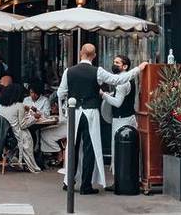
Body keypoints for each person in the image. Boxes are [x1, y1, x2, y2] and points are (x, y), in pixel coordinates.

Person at [57, 43, 147, 195]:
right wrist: (138, 69)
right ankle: (86, 186)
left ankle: (69, 181)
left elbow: (60, 93)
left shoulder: (68, 71)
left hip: (75, 112)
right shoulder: (97, 71)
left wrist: (68, 104)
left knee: (73, 147)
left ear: (80, 53)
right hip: (91, 111)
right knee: (90, 148)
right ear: (94, 56)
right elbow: (118, 80)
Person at [100, 54, 138, 191]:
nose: (114, 64)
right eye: (114, 62)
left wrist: (103, 95)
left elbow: (117, 103)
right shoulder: (124, 80)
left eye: (117, 63)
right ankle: (123, 179)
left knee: (118, 150)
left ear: (125, 66)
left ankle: (119, 181)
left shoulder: (122, 83)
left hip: (122, 119)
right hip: (127, 118)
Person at [0, 83, 42, 172]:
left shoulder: (0, 106)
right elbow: (22, 125)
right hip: (16, 134)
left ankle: (14, 157)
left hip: (3, 134)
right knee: (29, 136)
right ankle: (30, 164)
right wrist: (34, 118)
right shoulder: (19, 106)